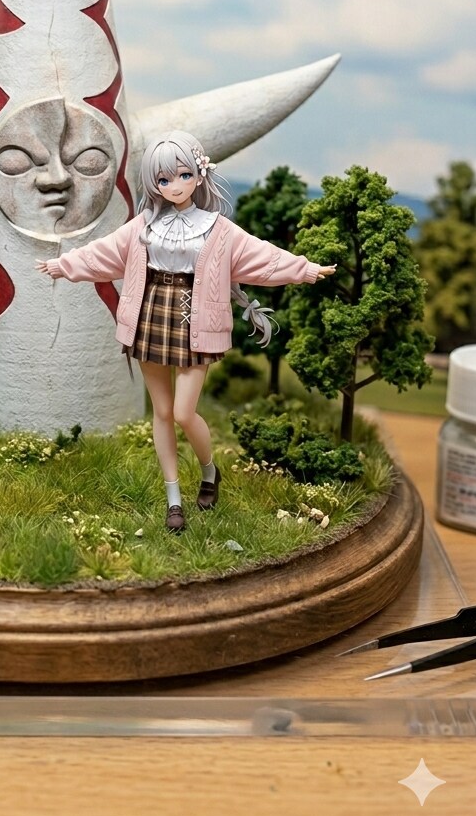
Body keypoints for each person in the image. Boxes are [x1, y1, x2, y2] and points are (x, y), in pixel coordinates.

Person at [36, 130, 336, 532]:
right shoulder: (144, 225)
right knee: (161, 412)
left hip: (198, 319)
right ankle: (174, 498)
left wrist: (304, 269)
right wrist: (65, 265)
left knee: (183, 412)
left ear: (199, 174)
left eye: (183, 175)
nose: (174, 186)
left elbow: (261, 255)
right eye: (163, 179)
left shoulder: (219, 229)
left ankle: (209, 470)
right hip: (149, 315)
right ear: (153, 184)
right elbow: (105, 251)